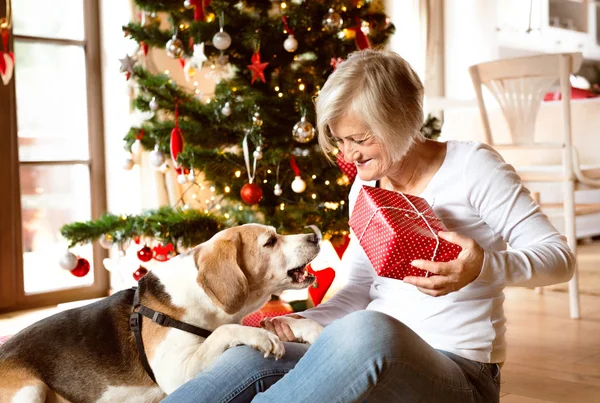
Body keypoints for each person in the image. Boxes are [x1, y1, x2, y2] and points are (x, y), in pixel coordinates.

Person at [163, 49, 576, 403]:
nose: (348, 155)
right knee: (251, 350)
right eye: (340, 141)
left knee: (368, 331)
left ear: (398, 121)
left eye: (359, 139)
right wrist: (304, 323)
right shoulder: (365, 188)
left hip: (460, 374)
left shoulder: (472, 167)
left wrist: (483, 266)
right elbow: (359, 291)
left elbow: (560, 259)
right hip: (373, 356)